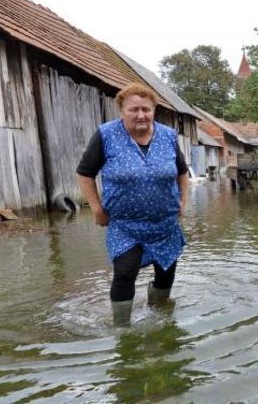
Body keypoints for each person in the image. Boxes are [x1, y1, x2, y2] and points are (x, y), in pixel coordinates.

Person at [76, 83, 189, 327]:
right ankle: (122, 328)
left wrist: (183, 201)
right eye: (134, 109)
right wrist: (96, 208)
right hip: (125, 225)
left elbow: (182, 172)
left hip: (164, 224)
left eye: (146, 109)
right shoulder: (106, 136)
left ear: (153, 111)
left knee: (166, 273)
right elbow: (85, 174)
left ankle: (160, 316)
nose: (141, 115)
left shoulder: (168, 136)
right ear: (122, 111)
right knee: (125, 272)